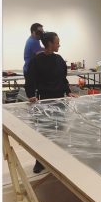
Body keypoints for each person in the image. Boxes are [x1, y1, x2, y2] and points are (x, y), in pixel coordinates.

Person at [25, 32, 77, 173]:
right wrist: (30, 95)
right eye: (57, 42)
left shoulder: (59, 59)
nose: (59, 44)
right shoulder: (37, 61)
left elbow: (63, 78)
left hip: (60, 100)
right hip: (44, 101)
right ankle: (40, 161)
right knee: (43, 132)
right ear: (49, 44)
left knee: (58, 130)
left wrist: (68, 91)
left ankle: (55, 158)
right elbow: (30, 79)